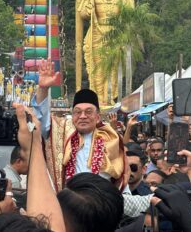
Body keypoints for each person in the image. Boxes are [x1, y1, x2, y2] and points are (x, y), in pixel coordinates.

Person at [32, 59, 127, 191]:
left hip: (100, 201)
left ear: (98, 116)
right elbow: (41, 121)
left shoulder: (111, 138)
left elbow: (121, 176)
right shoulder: (62, 130)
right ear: (73, 115)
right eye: (77, 112)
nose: (82, 116)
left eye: (88, 112)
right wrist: (43, 88)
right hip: (67, 201)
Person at [76, 0, 135, 104]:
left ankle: (109, 98)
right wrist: (89, 10)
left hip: (115, 34)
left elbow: (129, 12)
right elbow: (82, 13)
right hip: (97, 33)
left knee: (113, 67)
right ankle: (98, 97)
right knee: (98, 67)